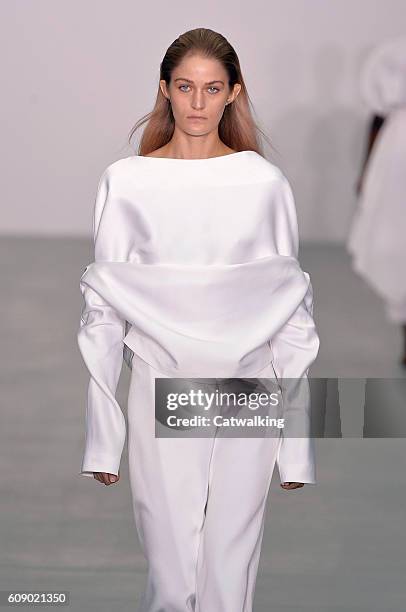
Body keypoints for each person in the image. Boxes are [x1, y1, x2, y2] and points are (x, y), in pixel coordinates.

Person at [77, 27, 320, 612]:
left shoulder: (263, 184)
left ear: (235, 93)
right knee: (172, 570)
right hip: (163, 386)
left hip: (248, 390)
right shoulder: (128, 183)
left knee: (229, 570)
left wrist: (297, 444)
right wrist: (103, 441)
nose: (197, 103)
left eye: (212, 89)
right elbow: (103, 315)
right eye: (185, 87)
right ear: (164, 90)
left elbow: (291, 313)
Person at [347, 37, 406, 366]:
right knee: (396, 242)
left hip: (395, 148)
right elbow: (377, 117)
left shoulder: (392, 54)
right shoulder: (394, 54)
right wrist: (366, 172)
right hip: (396, 152)